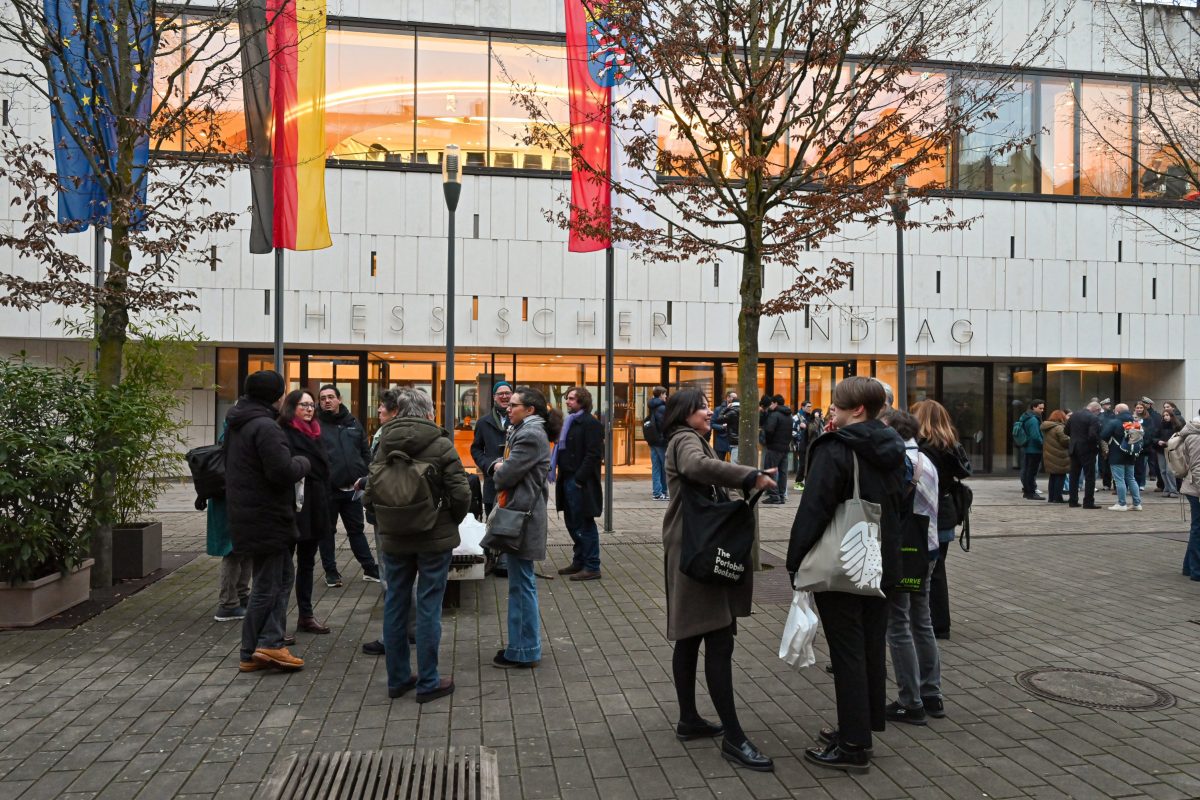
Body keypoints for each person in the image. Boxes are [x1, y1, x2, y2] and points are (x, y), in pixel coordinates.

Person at [787, 377, 906, 773]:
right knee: (870, 648)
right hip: (882, 562)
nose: (830, 411)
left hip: (843, 565)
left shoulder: (836, 449)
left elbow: (814, 509)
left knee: (848, 652)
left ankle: (853, 745)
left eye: (836, 405)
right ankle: (862, 727)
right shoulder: (892, 447)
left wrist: (795, 560)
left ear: (858, 410)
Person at [662, 388, 777, 772]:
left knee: (691, 634)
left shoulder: (691, 439)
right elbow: (698, 469)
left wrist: (743, 483)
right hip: (697, 552)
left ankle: (689, 719)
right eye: (701, 407)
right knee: (717, 636)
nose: (709, 412)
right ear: (684, 413)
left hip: (692, 548)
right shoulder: (684, 440)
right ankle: (733, 737)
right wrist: (750, 475)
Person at [369, 387, 471, 703]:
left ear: (399, 411)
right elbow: (461, 493)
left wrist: (385, 521)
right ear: (429, 412)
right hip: (433, 537)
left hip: (395, 537)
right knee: (429, 605)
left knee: (395, 602)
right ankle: (428, 681)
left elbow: (370, 492)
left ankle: (398, 678)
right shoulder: (440, 444)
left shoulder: (382, 443)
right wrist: (449, 520)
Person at [225, 370, 311, 673]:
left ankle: (257, 649)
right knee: (269, 583)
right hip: (267, 517)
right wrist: (302, 462)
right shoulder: (265, 427)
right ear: (275, 395)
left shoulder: (239, 423)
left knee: (279, 577)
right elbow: (282, 471)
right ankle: (266, 645)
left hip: (249, 514)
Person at [880, 408, 945, 726]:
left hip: (905, 552)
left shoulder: (901, 462)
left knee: (898, 624)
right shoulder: (926, 460)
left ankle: (910, 701)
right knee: (923, 621)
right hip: (927, 549)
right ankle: (932, 694)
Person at [490, 386, 559, 668]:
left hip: (523, 517)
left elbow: (506, 475)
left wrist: (497, 467)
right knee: (521, 582)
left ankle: (524, 650)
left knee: (521, 585)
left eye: (515, 405)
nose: (509, 407)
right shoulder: (525, 430)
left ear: (530, 410)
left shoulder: (530, 434)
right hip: (523, 514)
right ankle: (522, 646)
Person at [912, 400, 971, 640]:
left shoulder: (922, 448)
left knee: (925, 570)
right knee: (938, 569)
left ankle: (931, 623)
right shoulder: (950, 446)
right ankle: (939, 623)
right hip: (946, 512)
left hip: (927, 514)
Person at [279, 390, 334, 635]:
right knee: (283, 566)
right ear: (292, 407)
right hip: (293, 505)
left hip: (316, 504)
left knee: (308, 562)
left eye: (312, 405)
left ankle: (306, 614)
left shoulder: (317, 432)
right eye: (304, 405)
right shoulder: (283, 431)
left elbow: (323, 467)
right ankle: (276, 621)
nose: (310, 409)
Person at [317, 384, 380, 585]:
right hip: (328, 490)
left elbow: (364, 450)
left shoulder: (352, 422)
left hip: (352, 490)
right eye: (323, 398)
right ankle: (331, 572)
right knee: (327, 532)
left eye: (330, 397)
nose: (327, 401)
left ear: (339, 399)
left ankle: (370, 569)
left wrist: (365, 473)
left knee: (356, 530)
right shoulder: (316, 425)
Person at [362, 387, 402, 657]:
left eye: (382, 407)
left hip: (387, 512)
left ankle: (393, 637)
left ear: (395, 411)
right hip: (396, 511)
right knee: (400, 575)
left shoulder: (390, 436)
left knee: (391, 575)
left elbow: (381, 474)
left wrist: (367, 490)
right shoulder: (391, 433)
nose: (378, 410)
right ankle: (406, 630)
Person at [552, 386, 604, 581]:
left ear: (582, 401)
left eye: (572, 399)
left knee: (584, 523)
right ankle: (579, 560)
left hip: (580, 482)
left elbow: (593, 454)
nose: (567, 401)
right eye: (567, 398)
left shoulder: (590, 424)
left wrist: (580, 479)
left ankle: (592, 565)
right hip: (566, 479)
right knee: (572, 522)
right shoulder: (570, 422)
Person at [208, 426, 252, 623]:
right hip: (232, 499)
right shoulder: (234, 434)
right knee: (233, 551)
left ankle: (241, 596)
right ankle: (227, 604)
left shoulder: (232, 431)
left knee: (245, 549)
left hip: (235, 497)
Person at [471, 380, 514, 576]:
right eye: (500, 394)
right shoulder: (483, 422)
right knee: (491, 518)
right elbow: (476, 449)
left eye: (507, 393)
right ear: (494, 398)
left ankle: (507, 560)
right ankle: (490, 558)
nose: (504, 397)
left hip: (514, 480)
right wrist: (490, 465)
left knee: (511, 518)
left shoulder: (519, 420)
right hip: (492, 480)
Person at [1101, 403, 1143, 511]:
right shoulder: (1134, 422)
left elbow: (1103, 435)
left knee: (1119, 480)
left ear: (1117, 411)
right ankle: (1137, 503)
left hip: (1116, 454)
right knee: (1131, 478)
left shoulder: (1114, 422)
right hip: (1130, 454)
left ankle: (1122, 503)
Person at [1065, 401, 1102, 509]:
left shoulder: (1074, 415)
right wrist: (1096, 445)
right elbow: (1092, 435)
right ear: (1097, 410)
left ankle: (1073, 501)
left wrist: (1075, 438)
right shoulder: (1093, 418)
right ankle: (1088, 502)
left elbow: (1065, 430)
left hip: (1074, 448)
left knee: (1074, 476)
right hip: (1087, 450)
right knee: (1090, 476)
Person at [1176, 415, 1200, 580]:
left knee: (1197, 528)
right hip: (1196, 488)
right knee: (1198, 529)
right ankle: (1196, 571)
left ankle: (1188, 567)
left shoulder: (1193, 432)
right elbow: (1198, 466)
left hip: (1193, 486)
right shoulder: (1196, 436)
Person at [761, 394, 793, 504]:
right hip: (785, 447)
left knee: (770, 471)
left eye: (771, 403)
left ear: (775, 403)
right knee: (783, 472)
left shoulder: (775, 415)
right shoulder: (789, 415)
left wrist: (768, 441)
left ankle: (774, 496)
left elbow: (769, 430)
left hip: (774, 447)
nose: (770, 406)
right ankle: (781, 496)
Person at [1017, 399, 1045, 500]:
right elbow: (1035, 436)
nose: (1042, 410)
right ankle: (1031, 493)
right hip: (1034, 449)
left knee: (1027, 471)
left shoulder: (1026, 417)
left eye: (1043, 408)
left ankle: (1027, 491)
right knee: (1031, 472)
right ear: (1034, 407)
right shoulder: (1033, 419)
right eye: (1040, 408)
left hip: (1028, 448)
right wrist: (1043, 444)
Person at [1040, 410, 1070, 504]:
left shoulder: (1047, 427)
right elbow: (1065, 440)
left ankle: (1051, 497)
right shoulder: (1059, 427)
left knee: (1053, 477)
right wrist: (1072, 439)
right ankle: (1057, 498)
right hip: (1059, 455)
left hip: (1050, 455)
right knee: (1060, 477)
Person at [1156, 408, 1184, 498]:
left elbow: (1180, 438)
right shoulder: (1160, 425)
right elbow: (1154, 437)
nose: (1165, 417)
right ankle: (1166, 488)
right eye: (1164, 415)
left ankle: (1173, 490)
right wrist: (1158, 441)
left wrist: (1171, 442)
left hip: (1172, 450)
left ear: (1172, 416)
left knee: (1170, 471)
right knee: (1163, 471)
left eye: (1167, 415)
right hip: (1161, 450)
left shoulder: (1177, 426)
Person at [648, 386, 669, 500]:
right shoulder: (661, 407)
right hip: (660, 441)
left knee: (656, 467)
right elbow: (663, 425)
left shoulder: (652, 406)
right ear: (661, 394)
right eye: (665, 394)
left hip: (653, 440)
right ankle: (663, 492)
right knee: (664, 466)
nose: (666, 396)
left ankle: (657, 492)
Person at [711, 391, 738, 462]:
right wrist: (722, 427)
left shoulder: (738, 409)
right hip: (721, 440)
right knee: (719, 462)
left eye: (736, 398)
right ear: (728, 398)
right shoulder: (718, 409)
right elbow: (712, 424)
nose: (735, 399)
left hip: (733, 441)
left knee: (734, 463)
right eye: (734, 397)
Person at [793, 401, 814, 491]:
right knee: (802, 464)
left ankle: (805, 483)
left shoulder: (809, 417)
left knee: (807, 464)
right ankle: (798, 482)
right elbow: (792, 431)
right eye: (808, 406)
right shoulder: (796, 417)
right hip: (800, 444)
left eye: (811, 406)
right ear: (802, 407)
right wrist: (800, 438)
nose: (810, 408)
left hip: (808, 444)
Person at [1098, 398, 1116, 490]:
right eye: (1107, 404)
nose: (1109, 405)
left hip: (1113, 441)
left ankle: (1115, 483)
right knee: (1105, 463)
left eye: (1109, 403)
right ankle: (1106, 483)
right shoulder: (1099, 416)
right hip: (1103, 442)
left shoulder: (1113, 415)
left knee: (1114, 463)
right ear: (1102, 405)